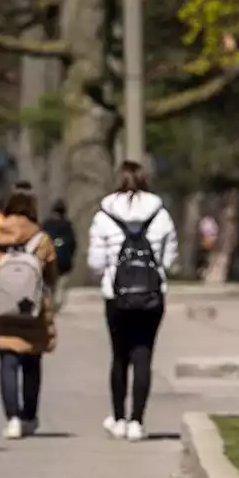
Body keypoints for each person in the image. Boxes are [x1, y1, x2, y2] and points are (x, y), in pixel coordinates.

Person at [86, 160, 178, 442]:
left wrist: (111, 270)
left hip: (116, 296)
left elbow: (96, 262)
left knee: (119, 356)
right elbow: (169, 259)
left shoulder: (104, 215)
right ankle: (137, 420)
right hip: (151, 295)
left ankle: (118, 418)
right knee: (143, 356)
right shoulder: (160, 215)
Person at [0, 185, 58, 439]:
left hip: (3, 307)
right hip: (32, 308)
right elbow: (51, 273)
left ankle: (12, 418)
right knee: (32, 362)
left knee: (8, 361)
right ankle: (29, 416)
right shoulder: (41, 238)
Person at [40, 199, 77, 311]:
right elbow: (73, 244)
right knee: (60, 284)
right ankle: (57, 304)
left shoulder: (46, 224)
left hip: (47, 260)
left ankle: (48, 302)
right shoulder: (67, 225)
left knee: (48, 284)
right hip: (64, 261)